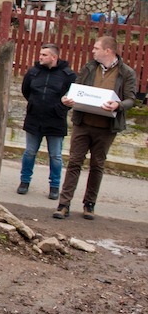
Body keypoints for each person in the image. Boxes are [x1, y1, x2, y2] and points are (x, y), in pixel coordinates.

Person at [55, 36, 136, 220]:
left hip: (106, 127)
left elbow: (131, 99)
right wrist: (67, 98)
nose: (93, 51)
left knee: (97, 165)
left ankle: (89, 204)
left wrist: (118, 105)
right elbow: (76, 88)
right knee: (74, 162)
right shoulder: (89, 67)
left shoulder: (126, 72)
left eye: (96, 48)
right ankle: (64, 204)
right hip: (83, 123)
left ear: (108, 51)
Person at [17, 44, 76, 199]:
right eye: (40, 54)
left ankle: (54, 186)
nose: (40, 57)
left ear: (54, 57)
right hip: (34, 118)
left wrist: (59, 108)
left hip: (56, 120)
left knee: (55, 155)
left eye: (44, 55)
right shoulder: (33, 72)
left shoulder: (68, 75)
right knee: (30, 152)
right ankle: (24, 181)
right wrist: (35, 105)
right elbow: (26, 91)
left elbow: (71, 98)